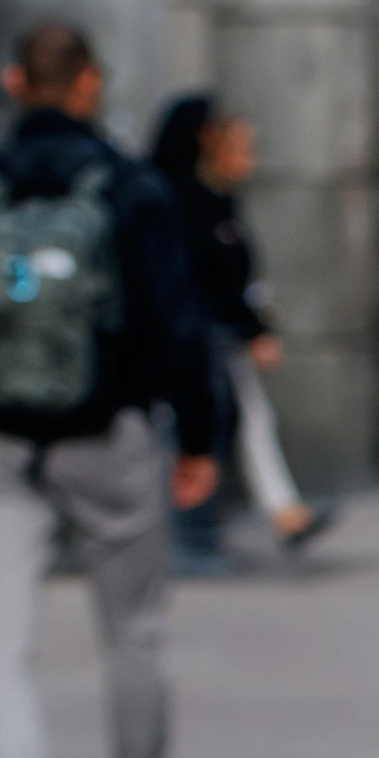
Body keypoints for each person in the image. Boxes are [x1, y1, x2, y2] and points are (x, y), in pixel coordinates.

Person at [0, 18, 219, 758]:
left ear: (12, 82)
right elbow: (176, 323)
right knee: (134, 626)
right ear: (89, 86)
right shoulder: (129, 189)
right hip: (105, 433)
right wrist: (199, 434)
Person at [148, 96, 332, 558]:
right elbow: (213, 279)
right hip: (197, 335)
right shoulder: (184, 203)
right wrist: (253, 329)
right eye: (240, 147)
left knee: (244, 419)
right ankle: (222, 524)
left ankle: (272, 512)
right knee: (223, 420)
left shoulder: (216, 202)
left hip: (212, 334)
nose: (249, 159)